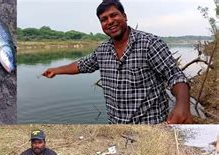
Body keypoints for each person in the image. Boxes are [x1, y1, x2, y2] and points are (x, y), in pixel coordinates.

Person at [42, 0, 193, 124]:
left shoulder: (149, 43)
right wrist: (56, 70)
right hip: (117, 128)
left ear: (125, 16)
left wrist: (182, 105)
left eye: (113, 15)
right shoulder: (102, 50)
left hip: (151, 126)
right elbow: (82, 65)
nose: (110, 22)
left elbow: (175, 76)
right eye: (104, 19)